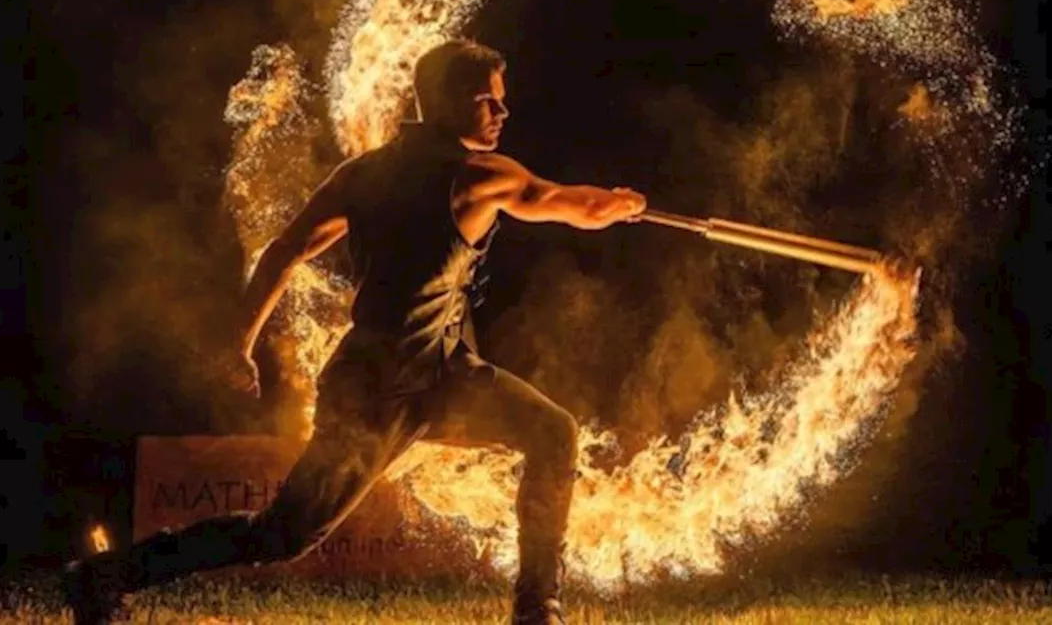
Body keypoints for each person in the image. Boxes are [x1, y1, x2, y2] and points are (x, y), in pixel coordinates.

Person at [64, 38, 647, 624]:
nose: (501, 114)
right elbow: (563, 203)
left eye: (500, 102)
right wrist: (618, 205)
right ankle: (104, 577)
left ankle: (536, 610)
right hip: (378, 393)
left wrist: (240, 342)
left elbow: (286, 251)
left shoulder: (362, 174)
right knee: (282, 535)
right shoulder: (477, 175)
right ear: (443, 103)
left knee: (553, 432)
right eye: (485, 101)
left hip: (446, 380)